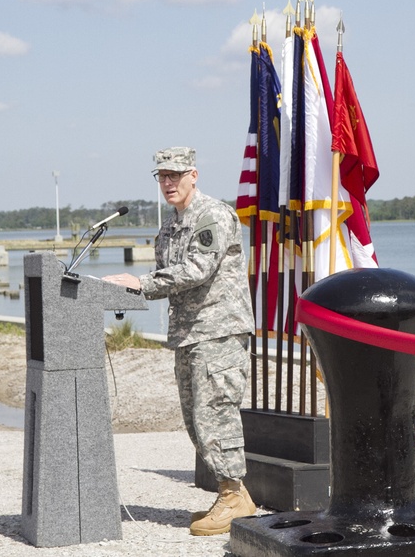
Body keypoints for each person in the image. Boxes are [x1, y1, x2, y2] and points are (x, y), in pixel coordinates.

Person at [103, 146, 256, 536]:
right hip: (189, 335)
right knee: (196, 421)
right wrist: (127, 291)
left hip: (218, 332)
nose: (168, 183)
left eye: (175, 175)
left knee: (216, 414)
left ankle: (234, 496)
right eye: (162, 177)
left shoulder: (213, 215)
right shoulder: (170, 227)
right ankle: (232, 494)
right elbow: (167, 275)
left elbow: (196, 270)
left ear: (194, 175)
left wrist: (142, 284)